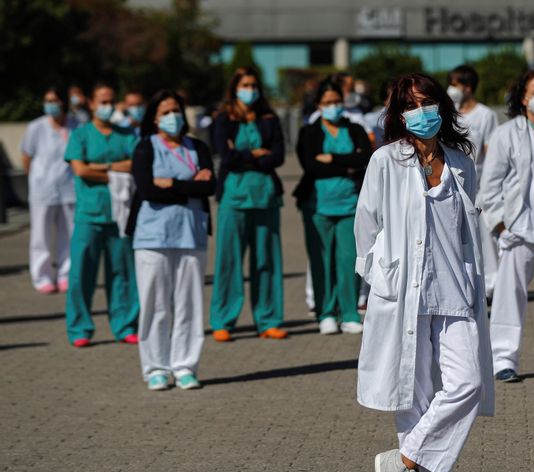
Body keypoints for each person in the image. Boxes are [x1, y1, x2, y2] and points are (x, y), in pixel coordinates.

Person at [355, 73, 494, 472]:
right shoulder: (386, 161)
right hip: (405, 292)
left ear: (442, 106)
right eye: (411, 105)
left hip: (455, 289)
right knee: (413, 394)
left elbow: (466, 230)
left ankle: (402, 461)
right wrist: (382, 276)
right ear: (399, 114)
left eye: (427, 102)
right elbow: (366, 226)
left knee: (467, 383)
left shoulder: (461, 163)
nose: (421, 112)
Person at [478, 69, 534, 383]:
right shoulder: (506, 134)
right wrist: (501, 226)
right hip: (518, 229)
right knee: (509, 297)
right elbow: (489, 187)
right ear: (522, 98)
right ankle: (504, 360)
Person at [128, 90, 215, 391]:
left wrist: (173, 184)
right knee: (156, 304)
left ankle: (185, 366)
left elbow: (210, 187)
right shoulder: (145, 148)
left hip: (191, 234)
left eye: (176, 110)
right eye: (165, 111)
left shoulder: (198, 147)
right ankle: (156, 367)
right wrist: (191, 185)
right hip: (152, 236)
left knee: (189, 304)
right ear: (154, 117)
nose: (172, 116)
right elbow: (148, 190)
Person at [210, 67, 287, 342]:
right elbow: (225, 155)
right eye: (244, 84)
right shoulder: (223, 118)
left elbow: (277, 156)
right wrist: (255, 154)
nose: (250, 89)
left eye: (253, 84)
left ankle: (268, 320)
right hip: (234, 197)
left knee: (266, 260)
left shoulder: (268, 118)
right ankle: (223, 320)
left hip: (265, 195)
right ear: (234, 88)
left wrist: (247, 156)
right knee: (228, 261)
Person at [63, 83, 139, 347]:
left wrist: (102, 167)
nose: (107, 106)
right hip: (89, 214)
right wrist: (116, 171)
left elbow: (137, 164)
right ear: (92, 104)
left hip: (120, 215)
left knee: (122, 273)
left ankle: (125, 324)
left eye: (111, 101)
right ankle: (80, 328)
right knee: (82, 273)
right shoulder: (80, 135)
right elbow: (81, 170)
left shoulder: (126, 134)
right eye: (102, 102)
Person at [294, 78, 371, 335]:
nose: (333, 106)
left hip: (350, 205)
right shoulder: (309, 131)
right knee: (321, 260)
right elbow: (311, 165)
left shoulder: (355, 128)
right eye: (327, 102)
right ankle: (325, 312)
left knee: (349, 260)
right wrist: (346, 165)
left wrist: (333, 159)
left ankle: (348, 312)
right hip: (317, 206)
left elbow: (363, 159)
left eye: (337, 101)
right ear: (318, 105)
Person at [446, 65, 500, 299]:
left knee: (483, 235)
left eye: (455, 84)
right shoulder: (447, 112)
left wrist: (490, 187)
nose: (451, 88)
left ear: (468, 87)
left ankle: (491, 284)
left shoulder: (485, 115)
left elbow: (491, 151)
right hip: (451, 181)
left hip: (478, 183)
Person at [21, 86, 78, 295]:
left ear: (63, 103)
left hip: (69, 188)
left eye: (54, 100)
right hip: (42, 189)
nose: (50, 105)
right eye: (47, 100)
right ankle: (41, 276)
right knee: (40, 235)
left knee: (69, 234)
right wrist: (36, 178)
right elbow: (26, 156)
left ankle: (65, 274)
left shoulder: (75, 126)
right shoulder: (36, 127)